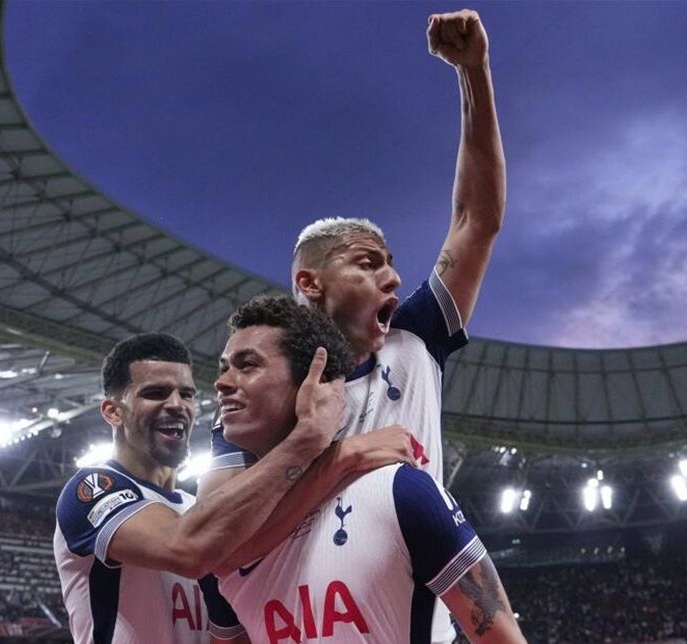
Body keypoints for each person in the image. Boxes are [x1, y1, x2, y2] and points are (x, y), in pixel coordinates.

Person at [200, 10, 506, 640]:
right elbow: (213, 543)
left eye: (390, 263)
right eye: (367, 264)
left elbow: (475, 219)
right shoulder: (263, 398)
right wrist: (345, 456)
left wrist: (474, 73)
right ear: (310, 283)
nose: (393, 277)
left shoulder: (415, 338)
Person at [53, 333, 411, 643]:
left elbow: (244, 557)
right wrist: (310, 444)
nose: (177, 405)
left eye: (187, 394)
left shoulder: (199, 508)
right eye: (155, 393)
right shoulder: (92, 489)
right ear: (113, 411)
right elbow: (187, 548)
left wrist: (341, 460)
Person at [206, 296, 525, 642]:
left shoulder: (400, 493)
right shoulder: (214, 543)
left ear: (312, 382)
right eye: (223, 368)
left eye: (247, 365)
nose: (222, 382)